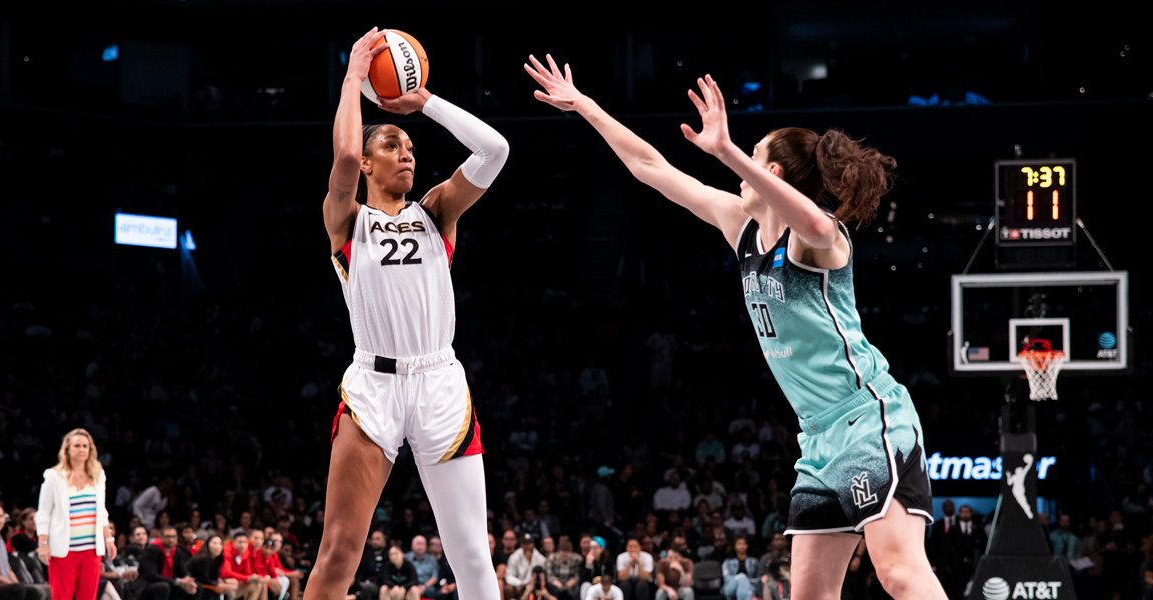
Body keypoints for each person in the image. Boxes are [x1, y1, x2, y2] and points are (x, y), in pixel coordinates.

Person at [526, 55, 942, 600]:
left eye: (752, 155)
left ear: (768, 174)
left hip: (868, 420)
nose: (738, 162)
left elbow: (814, 219)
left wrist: (724, 151)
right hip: (816, 441)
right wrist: (584, 105)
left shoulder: (820, 240)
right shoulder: (742, 229)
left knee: (899, 574)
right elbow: (652, 168)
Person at [306, 26, 508, 600]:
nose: (407, 153)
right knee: (339, 551)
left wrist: (425, 104)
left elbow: (496, 150)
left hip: (439, 381)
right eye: (392, 145)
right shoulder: (347, 223)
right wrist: (352, 78)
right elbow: (344, 152)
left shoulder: (437, 211)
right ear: (368, 165)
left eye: (411, 147)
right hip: (373, 385)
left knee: (472, 555)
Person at [35, 429, 118, 600]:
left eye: (85, 446)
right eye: (77, 445)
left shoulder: (97, 475)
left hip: (91, 550)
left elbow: (101, 511)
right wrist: (43, 543)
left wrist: (109, 539)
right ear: (67, 449)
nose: (81, 449)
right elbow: (43, 513)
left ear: (90, 450)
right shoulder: (54, 476)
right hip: (64, 550)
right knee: (61, 597)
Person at [135, 525, 197, 600]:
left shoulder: (177, 551)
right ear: (161, 537)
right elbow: (151, 575)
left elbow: (183, 569)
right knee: (164, 586)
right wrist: (177, 581)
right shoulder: (152, 550)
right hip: (148, 584)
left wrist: (188, 579)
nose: (171, 539)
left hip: (169, 582)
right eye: (168, 536)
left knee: (195, 586)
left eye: (174, 537)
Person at [189, 535, 239, 600]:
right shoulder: (204, 558)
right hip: (197, 584)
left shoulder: (217, 559)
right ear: (207, 544)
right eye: (214, 543)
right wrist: (219, 583)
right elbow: (204, 579)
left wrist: (221, 581)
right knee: (230, 589)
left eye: (220, 543)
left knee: (234, 582)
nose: (217, 546)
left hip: (207, 582)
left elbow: (214, 576)